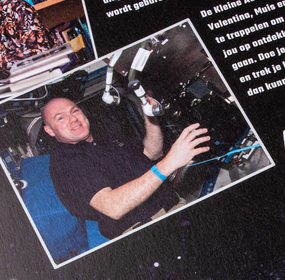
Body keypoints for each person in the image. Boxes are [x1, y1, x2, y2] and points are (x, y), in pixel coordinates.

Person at [41, 97, 210, 239]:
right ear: (50, 130)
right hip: (146, 230)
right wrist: (169, 163)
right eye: (60, 118)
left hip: (176, 204)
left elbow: (151, 152)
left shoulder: (103, 137)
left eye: (75, 111)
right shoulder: (65, 161)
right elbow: (113, 207)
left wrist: (150, 117)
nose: (73, 119)